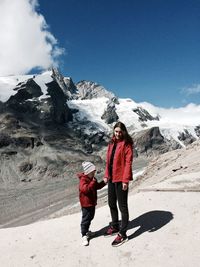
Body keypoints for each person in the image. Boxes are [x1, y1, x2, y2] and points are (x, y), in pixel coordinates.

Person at [104, 121, 133, 247]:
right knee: (111, 203)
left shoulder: (127, 144)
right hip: (111, 178)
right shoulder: (111, 143)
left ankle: (123, 233)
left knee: (122, 206)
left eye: (120, 132)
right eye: (116, 131)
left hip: (121, 179)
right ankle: (115, 225)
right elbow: (108, 161)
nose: (118, 134)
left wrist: (125, 180)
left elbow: (128, 163)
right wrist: (106, 175)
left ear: (124, 132)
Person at [78, 161, 106, 246]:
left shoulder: (92, 179)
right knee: (85, 219)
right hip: (86, 204)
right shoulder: (83, 180)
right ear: (88, 172)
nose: (94, 173)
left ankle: (87, 231)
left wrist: (104, 182)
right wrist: (93, 182)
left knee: (90, 217)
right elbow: (85, 190)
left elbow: (97, 186)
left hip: (92, 203)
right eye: (93, 171)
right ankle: (84, 235)